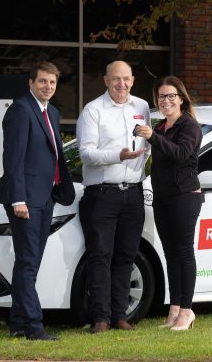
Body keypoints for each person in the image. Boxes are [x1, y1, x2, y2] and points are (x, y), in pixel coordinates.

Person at [0, 61, 75, 341]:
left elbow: (53, 156)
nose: (48, 87)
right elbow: (13, 159)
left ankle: (18, 323)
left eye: (52, 83)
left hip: (45, 198)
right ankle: (33, 326)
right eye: (43, 81)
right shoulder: (21, 110)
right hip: (25, 201)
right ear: (31, 83)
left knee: (29, 263)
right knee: (28, 263)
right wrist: (18, 199)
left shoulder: (51, 112)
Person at [76, 60, 151, 334]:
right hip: (102, 195)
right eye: (116, 79)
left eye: (126, 79)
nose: (122, 84)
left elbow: (148, 144)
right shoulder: (93, 110)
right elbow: (86, 153)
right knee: (100, 256)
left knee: (126, 255)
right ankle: (100, 318)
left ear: (133, 80)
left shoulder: (142, 107)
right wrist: (118, 156)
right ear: (106, 81)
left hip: (133, 194)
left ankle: (120, 315)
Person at [135, 76, 202, 331]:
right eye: (161, 97)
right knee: (170, 254)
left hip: (185, 196)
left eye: (171, 96)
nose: (166, 101)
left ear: (181, 98)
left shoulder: (189, 126)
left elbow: (181, 154)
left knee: (184, 252)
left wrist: (152, 136)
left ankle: (187, 310)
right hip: (162, 197)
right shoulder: (162, 127)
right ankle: (174, 310)